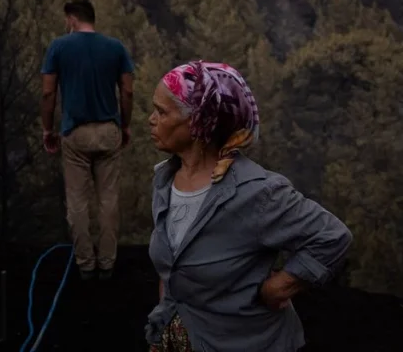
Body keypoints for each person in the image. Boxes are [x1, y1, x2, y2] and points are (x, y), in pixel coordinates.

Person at [145, 61, 353, 352]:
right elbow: (170, 268)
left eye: (162, 111)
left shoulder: (257, 192)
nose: (151, 119)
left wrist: (278, 287)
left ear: (199, 122)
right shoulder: (165, 181)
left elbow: (332, 237)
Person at [40, 0, 134, 281]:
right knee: (108, 200)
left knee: (78, 202)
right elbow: (127, 92)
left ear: (72, 19)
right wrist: (125, 125)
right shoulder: (115, 48)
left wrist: (47, 129)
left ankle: (85, 264)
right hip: (108, 130)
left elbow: (48, 93)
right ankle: (107, 264)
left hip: (76, 132)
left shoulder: (59, 47)